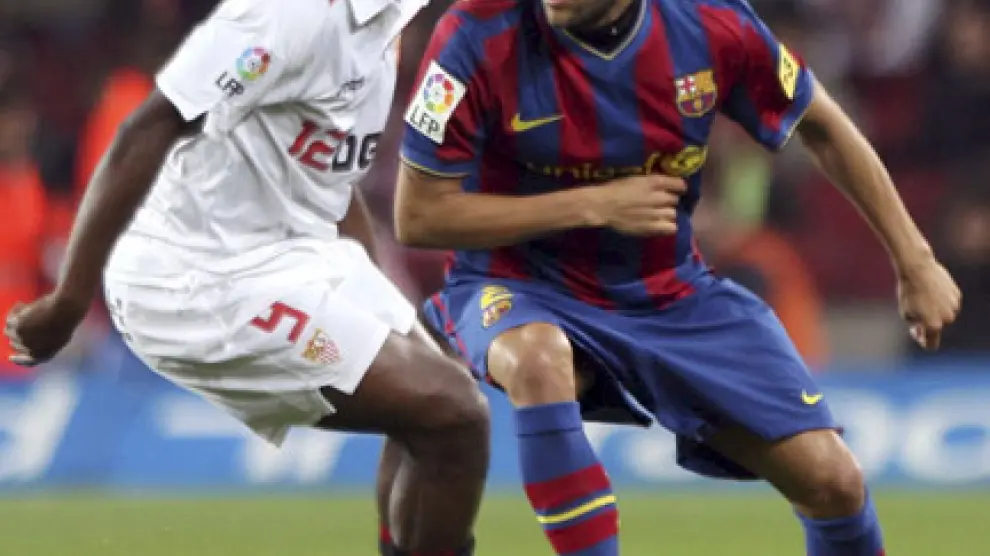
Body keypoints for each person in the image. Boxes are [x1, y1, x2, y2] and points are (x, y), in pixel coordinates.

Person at [395, 0, 961, 555]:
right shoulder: (476, 31)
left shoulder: (712, 24)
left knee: (833, 481)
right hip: (515, 281)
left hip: (668, 290)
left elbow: (823, 126)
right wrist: (592, 204)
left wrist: (914, 261)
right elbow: (417, 215)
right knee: (537, 359)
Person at [4, 1, 488, 555]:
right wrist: (68, 302)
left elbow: (327, 177)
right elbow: (146, 127)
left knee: (439, 408)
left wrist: (379, 303)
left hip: (296, 250)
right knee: (454, 412)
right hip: (196, 275)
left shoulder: (388, 19)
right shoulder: (288, 15)